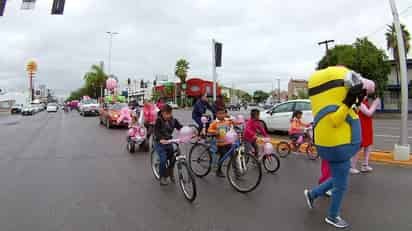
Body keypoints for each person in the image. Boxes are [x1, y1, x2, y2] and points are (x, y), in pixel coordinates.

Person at [304, 67, 365, 229]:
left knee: (338, 179)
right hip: (336, 147)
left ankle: (312, 194)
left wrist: (356, 101)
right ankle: (332, 216)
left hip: (341, 148)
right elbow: (336, 120)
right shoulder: (333, 108)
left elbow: (352, 113)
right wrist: (348, 102)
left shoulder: (343, 105)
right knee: (341, 184)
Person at [350, 92, 380, 174]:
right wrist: (375, 104)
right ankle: (352, 166)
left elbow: (370, 113)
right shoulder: (359, 103)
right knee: (359, 146)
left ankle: (365, 165)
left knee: (368, 145)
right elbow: (369, 113)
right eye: (365, 94)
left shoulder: (364, 102)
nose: (366, 96)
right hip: (361, 126)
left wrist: (374, 104)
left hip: (367, 126)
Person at [154, 104, 183, 185]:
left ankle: (170, 172)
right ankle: (162, 177)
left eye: (170, 113)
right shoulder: (158, 120)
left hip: (169, 141)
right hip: (160, 143)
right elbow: (156, 131)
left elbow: (180, 127)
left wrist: (188, 132)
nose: (169, 115)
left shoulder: (173, 120)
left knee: (173, 158)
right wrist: (160, 139)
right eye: (167, 114)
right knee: (163, 160)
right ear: (162, 113)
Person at [207, 108, 233, 177]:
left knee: (232, 154)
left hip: (228, 141)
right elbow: (209, 129)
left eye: (223, 113)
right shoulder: (215, 123)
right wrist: (215, 132)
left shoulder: (227, 121)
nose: (222, 115)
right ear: (216, 114)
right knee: (223, 155)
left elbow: (233, 124)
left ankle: (236, 170)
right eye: (220, 113)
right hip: (220, 143)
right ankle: (218, 170)